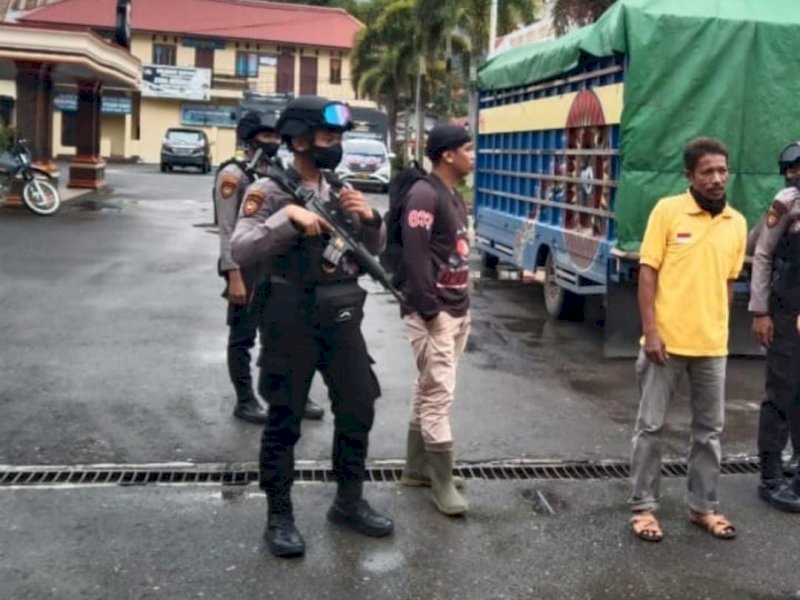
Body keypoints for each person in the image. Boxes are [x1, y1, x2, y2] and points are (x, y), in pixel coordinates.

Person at [231, 95, 393, 558]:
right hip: (289, 315)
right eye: (328, 137)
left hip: (341, 315)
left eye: (339, 137)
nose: (336, 145)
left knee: (359, 405)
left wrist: (370, 219)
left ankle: (348, 500)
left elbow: (372, 250)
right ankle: (278, 515)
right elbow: (240, 249)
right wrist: (286, 220)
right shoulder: (270, 190)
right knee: (284, 418)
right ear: (299, 141)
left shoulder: (337, 186)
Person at [629, 137, 747, 542]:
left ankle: (703, 508)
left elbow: (729, 283)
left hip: (712, 347)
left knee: (709, 433)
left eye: (722, 171)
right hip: (666, 345)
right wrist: (651, 332)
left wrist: (720, 328)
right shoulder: (667, 211)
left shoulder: (737, 222)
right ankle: (644, 508)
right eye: (707, 172)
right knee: (651, 428)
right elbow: (647, 274)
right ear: (690, 176)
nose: (716, 179)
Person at [214, 111, 324, 424]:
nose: (274, 142)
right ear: (249, 138)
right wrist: (233, 273)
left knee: (279, 335)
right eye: (267, 136)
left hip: (274, 267)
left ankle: (289, 392)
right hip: (245, 267)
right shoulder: (234, 175)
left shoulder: (275, 173)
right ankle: (245, 399)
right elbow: (227, 228)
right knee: (242, 336)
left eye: (277, 136)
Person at [397, 124, 474, 516]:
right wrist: (429, 310)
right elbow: (414, 255)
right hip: (433, 311)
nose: (472, 155)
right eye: (467, 149)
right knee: (438, 393)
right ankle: (440, 482)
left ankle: (417, 468)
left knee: (427, 386)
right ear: (447, 154)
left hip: (456, 307)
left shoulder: (453, 196)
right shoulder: (424, 194)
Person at [748, 141, 800, 512]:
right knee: (781, 391)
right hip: (783, 311)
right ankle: (770, 478)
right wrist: (760, 311)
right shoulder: (786, 203)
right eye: (790, 170)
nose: (792, 175)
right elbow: (762, 253)